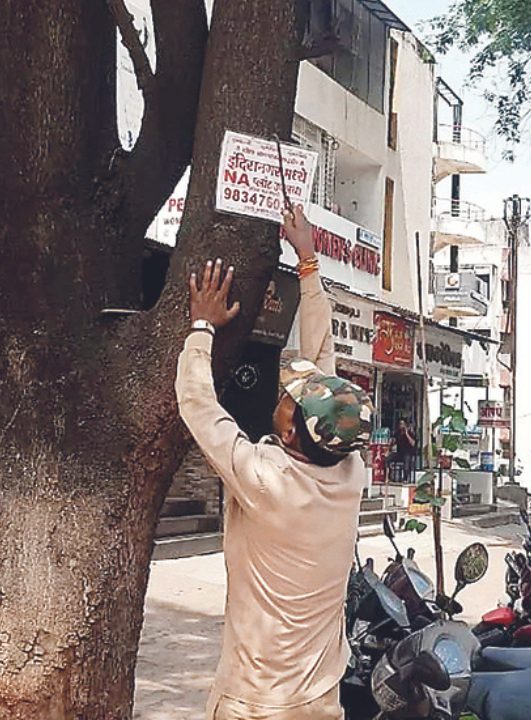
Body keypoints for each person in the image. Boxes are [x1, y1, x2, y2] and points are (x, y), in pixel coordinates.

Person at [176, 205, 373, 720]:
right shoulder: (348, 472)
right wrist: (308, 262)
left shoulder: (268, 480)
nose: (286, 390)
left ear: (290, 431)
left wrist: (201, 325)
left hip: (256, 703)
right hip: (320, 699)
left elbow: (198, 405)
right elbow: (324, 363)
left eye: (291, 397)